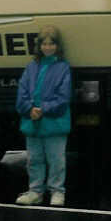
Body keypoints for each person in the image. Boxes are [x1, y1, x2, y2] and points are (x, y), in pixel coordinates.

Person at [15, 25, 72, 207]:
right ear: (39, 46)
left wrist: (43, 109)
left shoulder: (63, 68)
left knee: (56, 159)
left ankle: (57, 191)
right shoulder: (31, 67)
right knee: (34, 159)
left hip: (54, 122)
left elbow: (63, 97)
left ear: (57, 46)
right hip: (32, 122)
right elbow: (22, 93)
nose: (48, 47)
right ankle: (35, 191)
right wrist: (29, 108)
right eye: (44, 44)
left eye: (51, 44)